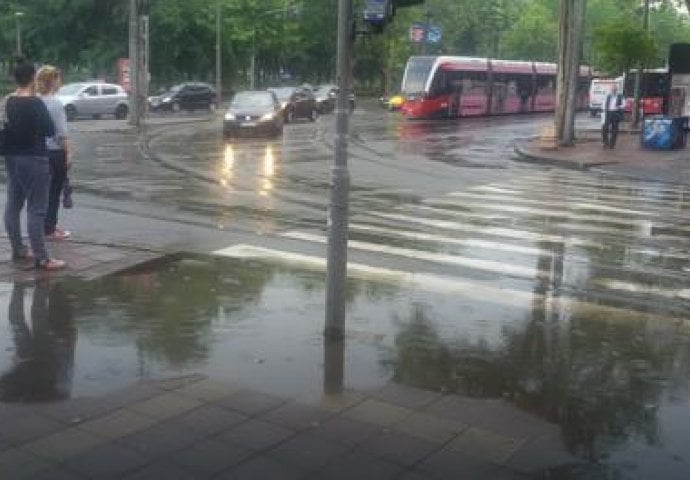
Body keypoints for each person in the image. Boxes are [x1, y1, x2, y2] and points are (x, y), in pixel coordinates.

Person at [3, 57, 65, 270]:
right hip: (34, 157)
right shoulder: (35, 103)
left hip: (12, 157)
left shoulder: (8, 101)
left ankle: (19, 249)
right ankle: (42, 258)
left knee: (13, 203)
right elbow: (50, 130)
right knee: (37, 208)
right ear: (32, 78)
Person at [36, 65, 71, 240]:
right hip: (55, 152)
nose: (60, 81)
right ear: (52, 81)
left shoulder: (35, 100)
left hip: (37, 151)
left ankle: (41, 226)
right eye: (58, 78)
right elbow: (61, 133)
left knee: (41, 192)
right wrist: (69, 153)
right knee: (54, 191)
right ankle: (50, 228)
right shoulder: (55, 103)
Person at [602, 84, 625, 149]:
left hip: (616, 113)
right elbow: (604, 104)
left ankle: (612, 144)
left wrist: (618, 107)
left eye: (614, 89)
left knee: (614, 130)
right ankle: (605, 142)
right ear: (610, 90)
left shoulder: (620, 96)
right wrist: (604, 111)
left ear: (616, 90)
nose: (613, 90)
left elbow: (623, 105)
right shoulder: (608, 96)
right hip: (608, 113)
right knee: (605, 128)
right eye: (612, 89)